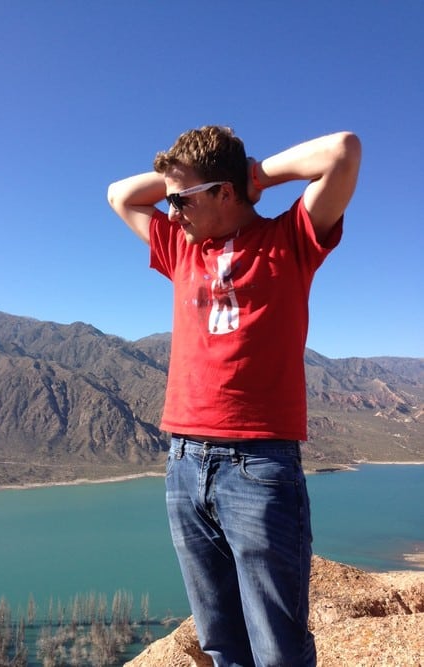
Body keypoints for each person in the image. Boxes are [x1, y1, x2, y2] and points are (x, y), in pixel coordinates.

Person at [107, 126, 361, 667]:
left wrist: (255, 175)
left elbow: (343, 151)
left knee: (278, 649)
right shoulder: (181, 247)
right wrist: (182, 182)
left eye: (181, 199)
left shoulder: (289, 240)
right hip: (183, 462)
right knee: (221, 640)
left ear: (226, 192)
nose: (171, 211)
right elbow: (119, 195)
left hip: (259, 466)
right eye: (169, 200)